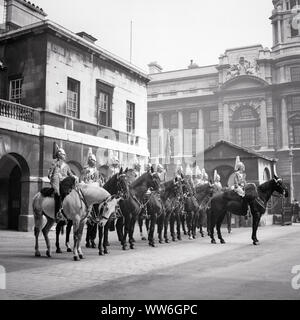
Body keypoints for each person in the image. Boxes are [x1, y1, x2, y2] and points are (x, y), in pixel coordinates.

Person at [48, 143, 76, 222]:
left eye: (64, 155)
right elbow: (49, 174)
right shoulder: (55, 163)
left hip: (64, 183)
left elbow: (70, 174)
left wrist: (74, 177)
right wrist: (53, 177)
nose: (64, 156)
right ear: (59, 155)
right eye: (63, 154)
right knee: (58, 194)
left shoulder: (66, 166)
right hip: (57, 182)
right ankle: (57, 214)